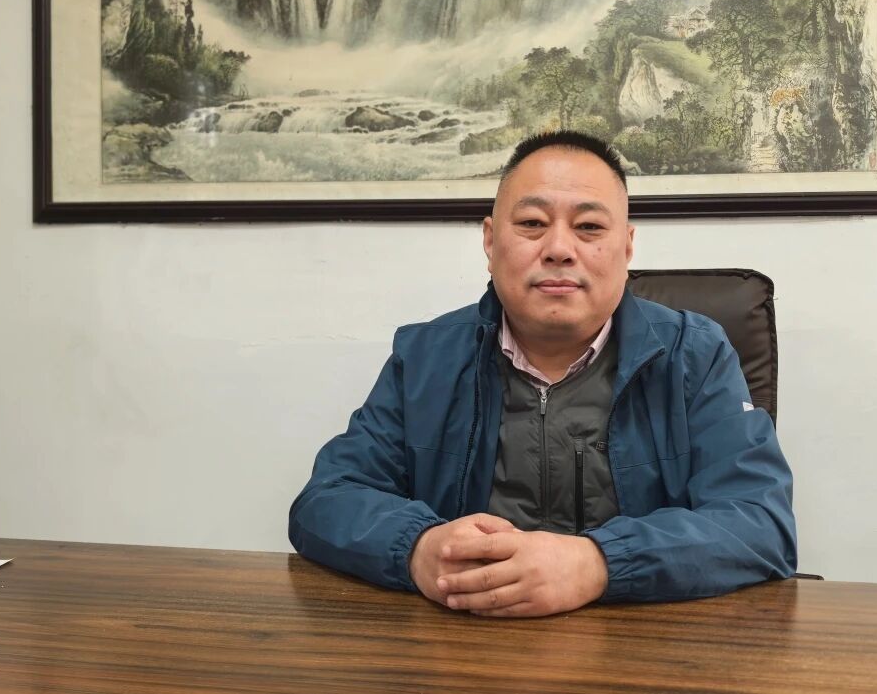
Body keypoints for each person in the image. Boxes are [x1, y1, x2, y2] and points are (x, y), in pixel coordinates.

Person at [288, 131, 796, 618]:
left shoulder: (694, 355)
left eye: (589, 227)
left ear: (627, 247)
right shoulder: (425, 357)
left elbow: (760, 523)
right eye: (532, 223)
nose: (559, 248)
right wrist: (417, 548)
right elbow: (327, 499)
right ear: (490, 241)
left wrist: (597, 564)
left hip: (643, 646)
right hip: (460, 639)